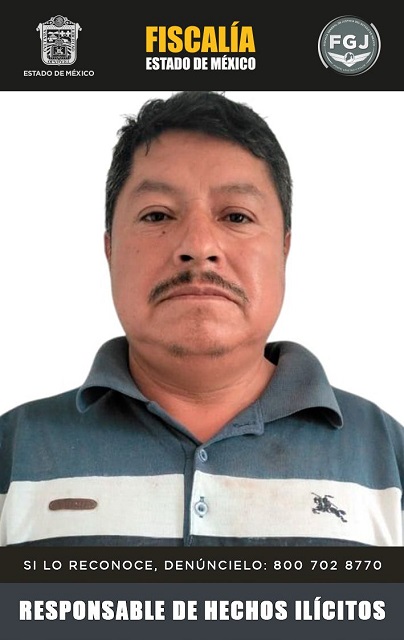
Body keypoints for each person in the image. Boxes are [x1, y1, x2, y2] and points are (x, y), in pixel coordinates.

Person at [0, 90, 403, 547]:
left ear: (284, 249)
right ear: (109, 249)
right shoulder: (14, 455)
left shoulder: (386, 458)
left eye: (236, 216)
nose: (198, 246)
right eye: (157, 214)